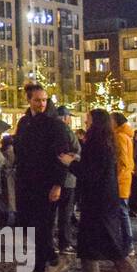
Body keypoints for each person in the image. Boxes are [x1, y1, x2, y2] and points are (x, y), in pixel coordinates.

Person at [62, 109, 137, 272]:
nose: (86, 124)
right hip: (106, 199)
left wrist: (71, 163)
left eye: (88, 121)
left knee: (89, 245)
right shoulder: (108, 142)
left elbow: (90, 174)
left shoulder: (95, 143)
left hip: (96, 201)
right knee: (112, 244)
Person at [14, 84, 75, 272]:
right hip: (26, 183)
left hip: (46, 183)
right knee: (28, 225)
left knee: (42, 227)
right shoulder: (24, 123)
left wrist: (58, 184)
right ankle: (53, 259)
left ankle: (39, 271)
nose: (41, 104)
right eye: (37, 100)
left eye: (44, 100)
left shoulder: (55, 125)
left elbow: (62, 157)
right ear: (29, 100)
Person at [52, 106, 81, 254]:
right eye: (69, 116)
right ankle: (65, 242)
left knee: (53, 211)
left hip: (54, 177)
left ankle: (51, 242)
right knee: (65, 211)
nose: (70, 119)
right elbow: (77, 151)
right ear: (65, 117)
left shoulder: (51, 129)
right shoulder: (66, 131)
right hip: (68, 177)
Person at [112, 112, 136, 254]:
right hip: (124, 179)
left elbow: (123, 161)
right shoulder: (124, 136)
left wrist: (116, 179)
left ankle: (127, 244)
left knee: (122, 212)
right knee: (122, 212)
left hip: (121, 181)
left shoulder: (120, 137)